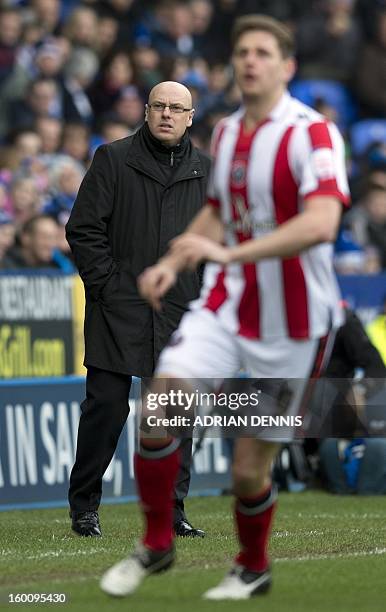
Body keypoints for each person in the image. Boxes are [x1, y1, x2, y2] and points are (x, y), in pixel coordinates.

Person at [100, 14, 350, 600]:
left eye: (263, 51)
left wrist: (229, 253)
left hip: (294, 324)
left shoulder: (312, 135)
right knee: (159, 407)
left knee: (246, 470)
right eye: (242, 51)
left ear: (286, 66)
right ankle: (157, 544)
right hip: (228, 305)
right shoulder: (229, 132)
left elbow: (321, 223)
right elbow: (218, 208)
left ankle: (252, 565)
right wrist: (178, 255)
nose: (250, 60)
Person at [65, 80, 210, 538]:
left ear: (191, 117)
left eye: (176, 108)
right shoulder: (113, 158)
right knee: (106, 409)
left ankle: (172, 508)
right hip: (118, 307)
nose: (167, 114)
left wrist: (202, 295)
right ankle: (84, 506)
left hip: (180, 308)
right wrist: (108, 285)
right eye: (159, 106)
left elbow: (216, 242)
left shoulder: (207, 171)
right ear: (146, 111)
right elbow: (83, 230)